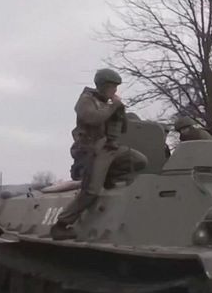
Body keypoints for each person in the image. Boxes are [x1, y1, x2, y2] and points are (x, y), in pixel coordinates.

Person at [51, 68, 148, 240]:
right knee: (91, 192)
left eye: (116, 87)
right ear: (103, 85)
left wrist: (120, 111)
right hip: (92, 150)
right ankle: (61, 225)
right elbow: (93, 118)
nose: (115, 90)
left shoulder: (107, 104)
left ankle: (108, 176)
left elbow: (123, 128)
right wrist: (113, 106)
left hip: (109, 147)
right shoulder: (86, 100)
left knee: (138, 160)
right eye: (112, 86)